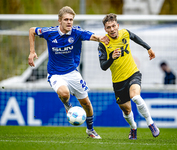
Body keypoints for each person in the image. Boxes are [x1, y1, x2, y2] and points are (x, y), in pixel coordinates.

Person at [28, 6, 109, 139]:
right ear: (59, 20)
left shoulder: (77, 32)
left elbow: (92, 36)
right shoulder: (50, 32)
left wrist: (100, 38)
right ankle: (67, 105)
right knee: (64, 94)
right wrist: (32, 52)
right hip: (55, 73)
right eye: (66, 19)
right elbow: (32, 31)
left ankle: (90, 130)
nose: (69, 22)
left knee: (86, 104)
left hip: (73, 73)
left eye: (71, 19)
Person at [97, 13, 160, 140]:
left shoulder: (125, 33)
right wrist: (111, 58)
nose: (112, 29)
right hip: (118, 81)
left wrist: (148, 48)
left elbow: (135, 37)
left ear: (117, 25)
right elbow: (103, 66)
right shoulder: (103, 44)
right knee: (126, 110)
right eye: (108, 27)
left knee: (135, 96)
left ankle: (151, 123)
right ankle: (133, 127)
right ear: (105, 29)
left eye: (113, 26)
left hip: (133, 73)